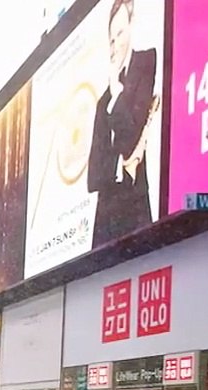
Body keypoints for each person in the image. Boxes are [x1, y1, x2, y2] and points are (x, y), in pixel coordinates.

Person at [88, 0, 159, 249]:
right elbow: (94, 173)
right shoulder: (102, 101)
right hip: (106, 213)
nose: (116, 43)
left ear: (131, 25)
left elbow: (132, 132)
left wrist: (117, 97)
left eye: (120, 33)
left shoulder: (147, 61)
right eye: (111, 38)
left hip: (135, 201)